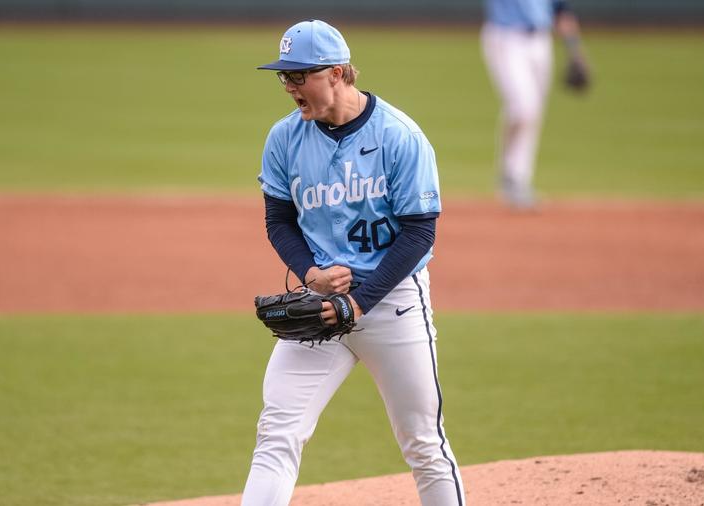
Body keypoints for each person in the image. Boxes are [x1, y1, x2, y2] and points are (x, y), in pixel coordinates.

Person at [242, 19, 466, 506]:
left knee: (424, 444)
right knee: (277, 433)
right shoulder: (284, 139)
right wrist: (310, 275)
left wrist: (360, 303)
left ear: (338, 73)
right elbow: (279, 220)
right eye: (284, 76)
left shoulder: (399, 136)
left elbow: (419, 233)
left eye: (300, 75)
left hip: (392, 302)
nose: (289, 86)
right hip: (321, 303)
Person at [481, 0, 590, 208]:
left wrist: (575, 51)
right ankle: (510, 177)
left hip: (540, 40)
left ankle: (518, 179)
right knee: (524, 108)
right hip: (506, 37)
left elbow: (561, 10)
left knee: (533, 113)